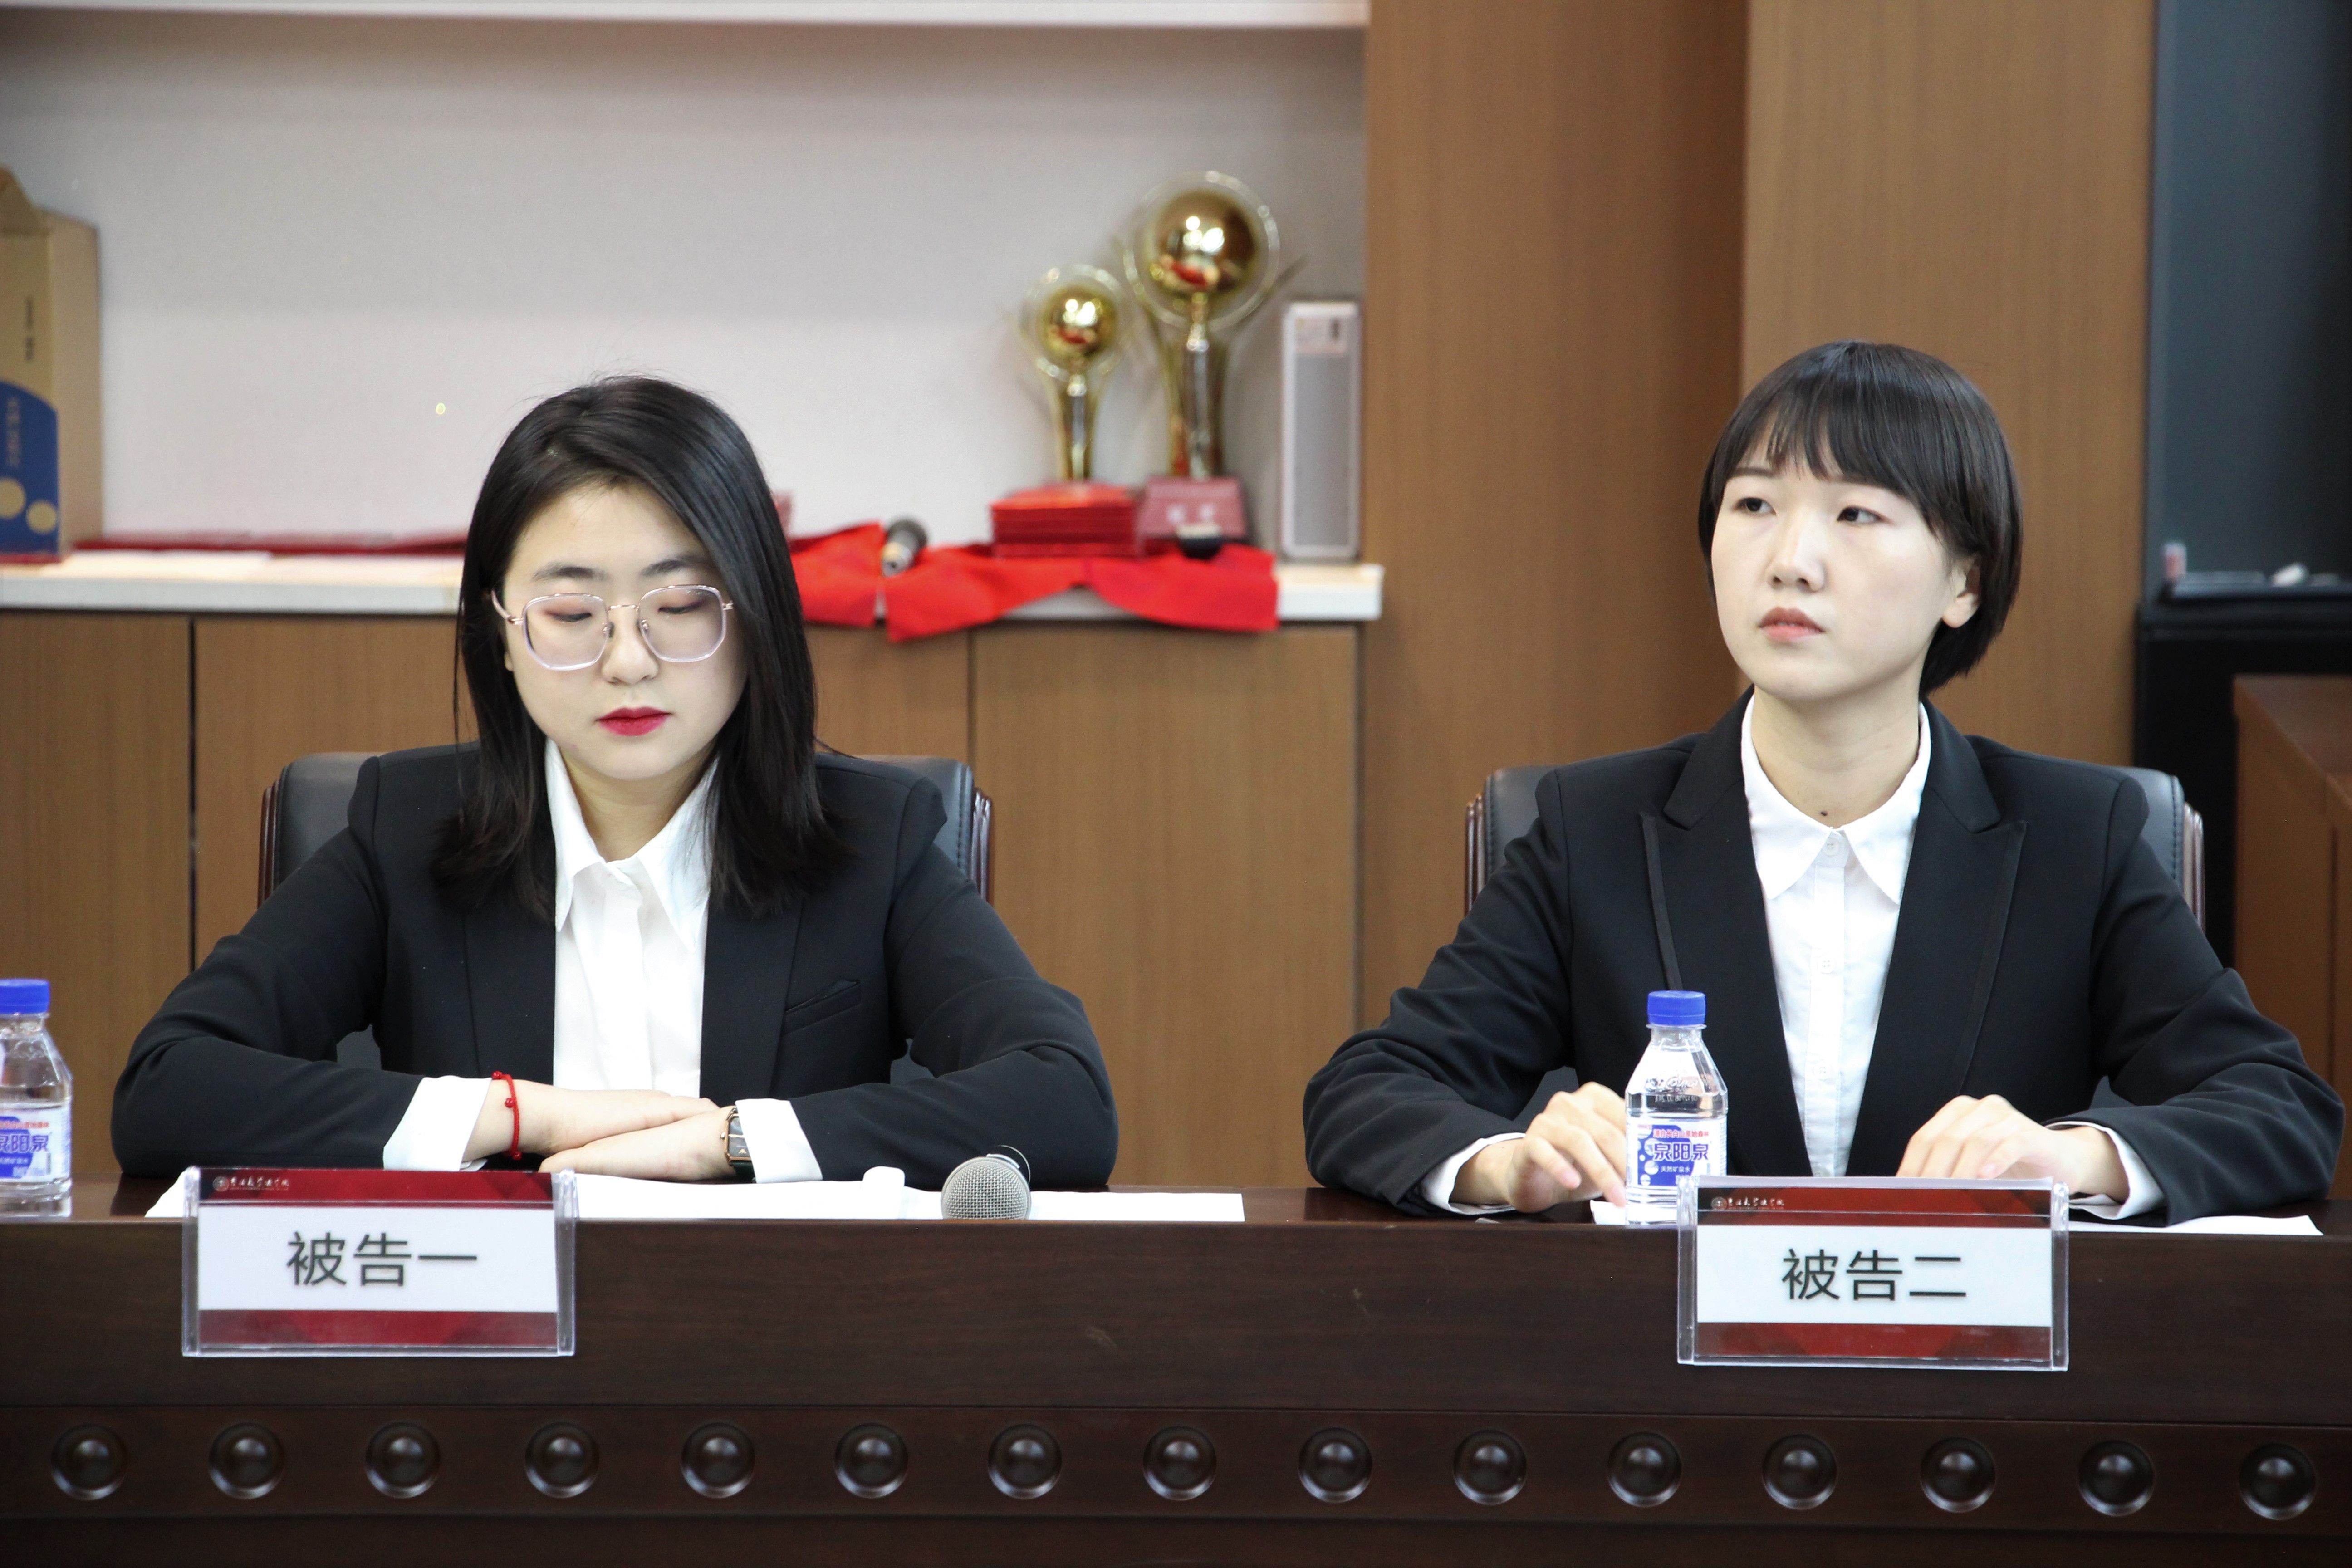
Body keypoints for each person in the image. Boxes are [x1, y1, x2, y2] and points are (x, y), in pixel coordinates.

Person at [1304, 341, 2342, 1223]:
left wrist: (2073, 1158)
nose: (1791, 560)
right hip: (1669, 1383)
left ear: (1966, 579)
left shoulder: (2078, 837)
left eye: (1856, 515)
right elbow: (1369, 1091)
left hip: (1969, 1379)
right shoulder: (1597, 831)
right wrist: (1507, 1162)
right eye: (1755, 504)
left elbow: (2280, 1110)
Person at [114, 377, 1117, 1188]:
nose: (629, 662)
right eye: (570, 614)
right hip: (483, 1344)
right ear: (501, 634)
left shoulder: (871, 839)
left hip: (771, 1342)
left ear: (755, 618)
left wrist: (729, 1140)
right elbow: (169, 1088)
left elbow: (1064, 1101)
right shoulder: (407, 831)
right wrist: (525, 1115)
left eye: (679, 607)